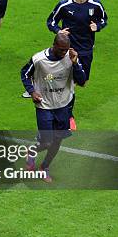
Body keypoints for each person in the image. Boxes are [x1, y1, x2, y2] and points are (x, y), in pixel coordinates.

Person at [21, 33, 86, 182]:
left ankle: (44, 167)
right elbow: (24, 73)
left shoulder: (71, 57)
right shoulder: (39, 59)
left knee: (57, 141)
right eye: (61, 49)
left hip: (63, 106)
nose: (64, 52)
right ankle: (31, 152)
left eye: (66, 49)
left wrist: (75, 63)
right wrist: (32, 91)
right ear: (54, 45)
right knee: (47, 141)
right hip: (44, 105)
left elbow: (82, 81)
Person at [46, 0, 107, 128]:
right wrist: (59, 31)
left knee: (83, 81)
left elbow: (104, 19)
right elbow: (51, 21)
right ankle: (67, 115)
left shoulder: (95, 5)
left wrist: (97, 27)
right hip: (68, 49)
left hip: (86, 49)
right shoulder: (64, 5)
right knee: (70, 83)